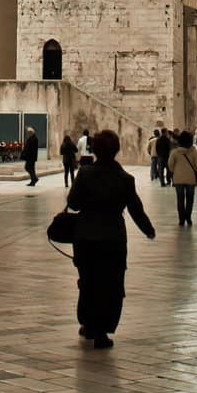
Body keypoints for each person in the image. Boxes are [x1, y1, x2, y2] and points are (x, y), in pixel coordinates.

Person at [65, 129, 156, 347]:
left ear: (94, 150)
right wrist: (148, 229)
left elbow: (74, 203)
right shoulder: (125, 179)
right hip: (112, 237)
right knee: (111, 285)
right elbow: (136, 209)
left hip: (85, 237)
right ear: (116, 150)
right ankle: (101, 331)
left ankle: (88, 323)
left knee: (88, 282)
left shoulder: (85, 174)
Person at [168, 131, 197, 226]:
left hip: (178, 179)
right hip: (190, 179)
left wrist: (176, 171)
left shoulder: (174, 152)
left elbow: (170, 165)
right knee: (190, 198)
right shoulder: (194, 151)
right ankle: (188, 217)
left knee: (180, 199)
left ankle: (181, 219)